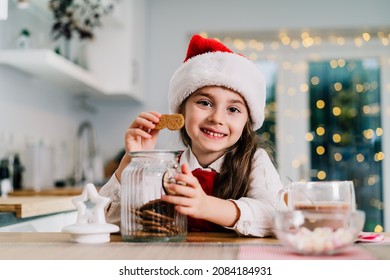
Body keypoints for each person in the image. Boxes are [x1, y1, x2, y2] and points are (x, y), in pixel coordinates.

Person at [99, 34, 283, 237]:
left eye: (233, 109)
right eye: (205, 103)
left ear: (247, 122)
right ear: (181, 112)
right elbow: (107, 221)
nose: (217, 118)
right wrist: (132, 162)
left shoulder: (254, 161)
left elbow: (276, 217)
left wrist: (206, 206)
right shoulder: (164, 167)